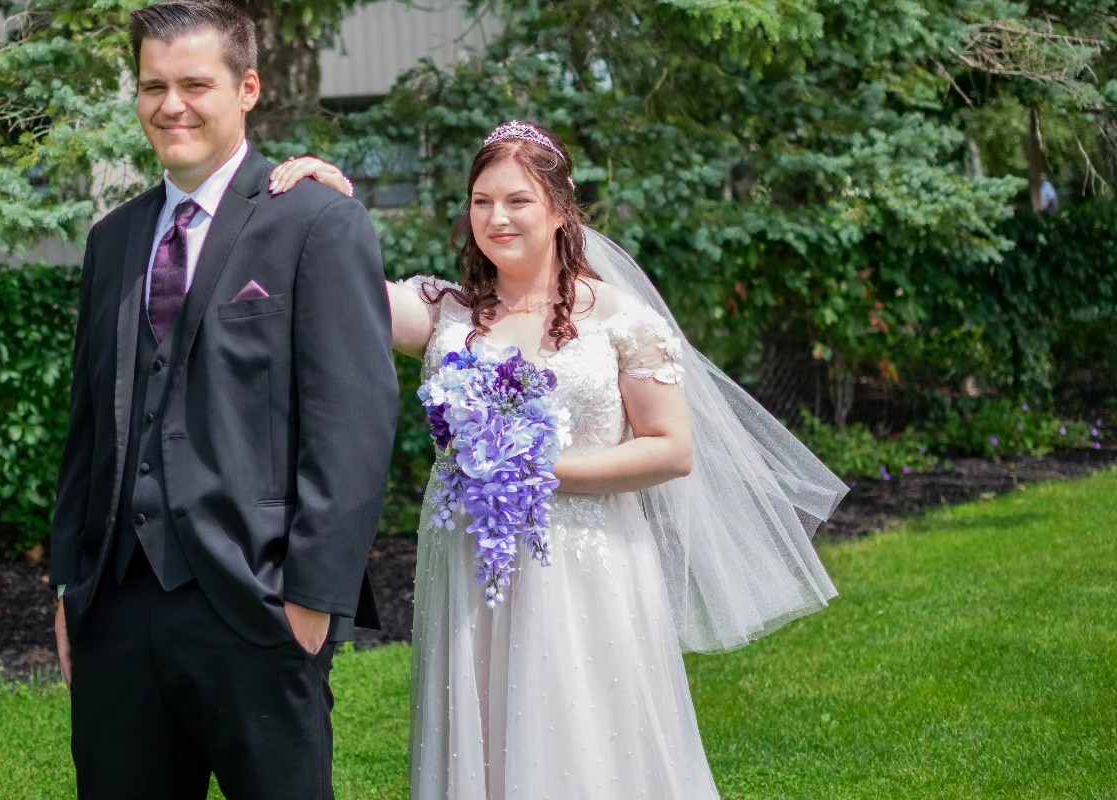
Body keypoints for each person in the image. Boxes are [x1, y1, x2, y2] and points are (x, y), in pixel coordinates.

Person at [270, 122, 849, 799]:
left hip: (584, 559)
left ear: (559, 207)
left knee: (584, 730)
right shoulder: (447, 313)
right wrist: (335, 198)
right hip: (469, 560)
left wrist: (531, 468)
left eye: (516, 200)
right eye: (481, 201)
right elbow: (349, 285)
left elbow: (671, 449)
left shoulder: (618, 317)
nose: (496, 218)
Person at [49, 0, 399, 800]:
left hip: (258, 606)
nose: (171, 106)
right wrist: (73, 586)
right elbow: (88, 429)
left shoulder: (316, 221)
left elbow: (354, 423)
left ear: (246, 89)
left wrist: (311, 601)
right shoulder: (114, 239)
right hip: (118, 611)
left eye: (195, 85)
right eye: (152, 87)